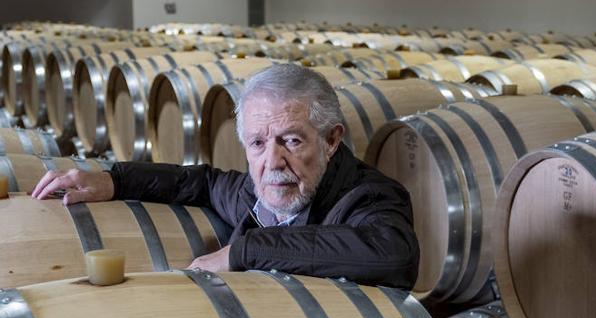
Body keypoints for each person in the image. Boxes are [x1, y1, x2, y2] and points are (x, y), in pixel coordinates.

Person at [32, 63, 419, 289]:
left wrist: (242, 252)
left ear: (332, 140)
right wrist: (114, 179)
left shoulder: (369, 197)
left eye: (291, 140)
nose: (273, 161)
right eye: (257, 143)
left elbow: (392, 255)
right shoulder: (255, 191)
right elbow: (200, 182)